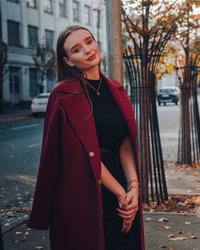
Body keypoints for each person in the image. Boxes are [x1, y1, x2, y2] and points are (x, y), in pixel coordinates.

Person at [28, 25, 145, 250]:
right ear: (69, 61)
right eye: (77, 49)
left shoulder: (117, 90)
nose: (88, 50)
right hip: (84, 191)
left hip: (121, 185)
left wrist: (133, 188)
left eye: (89, 42)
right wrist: (121, 192)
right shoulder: (62, 95)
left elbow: (124, 143)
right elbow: (80, 153)